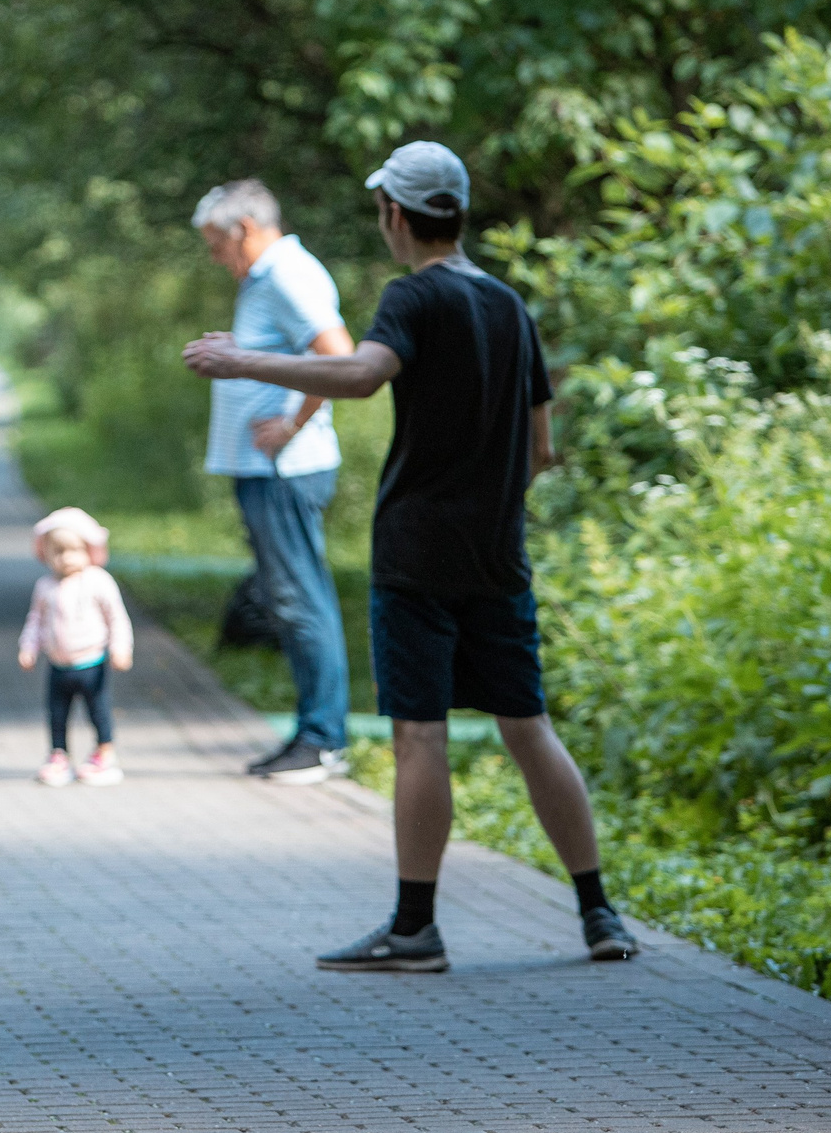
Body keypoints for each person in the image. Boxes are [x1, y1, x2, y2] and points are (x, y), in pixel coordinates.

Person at [181, 141, 637, 970]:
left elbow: (359, 374)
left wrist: (238, 360)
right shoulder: (508, 305)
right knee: (528, 727)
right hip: (499, 555)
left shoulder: (414, 297)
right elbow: (539, 446)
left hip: (417, 554)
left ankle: (415, 927)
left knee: (419, 736)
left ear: (397, 214)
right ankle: (599, 912)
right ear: (455, 213)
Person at [189, 179, 352, 785]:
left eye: (216, 243)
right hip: (265, 470)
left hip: (285, 469)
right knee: (291, 599)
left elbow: (338, 357)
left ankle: (323, 740)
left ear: (245, 229)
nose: (214, 257)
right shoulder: (267, 277)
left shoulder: (287, 274)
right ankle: (315, 733)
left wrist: (291, 424)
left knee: (300, 598)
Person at [19, 509, 133, 787]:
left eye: (73, 550)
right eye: (56, 551)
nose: (65, 558)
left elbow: (116, 617)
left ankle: (104, 752)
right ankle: (59, 755)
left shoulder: (98, 581)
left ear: (90, 550)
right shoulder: (45, 586)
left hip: (92, 664)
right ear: (44, 552)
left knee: (99, 710)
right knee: (57, 712)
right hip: (58, 665)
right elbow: (35, 620)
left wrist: (121, 648)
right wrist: (28, 647)